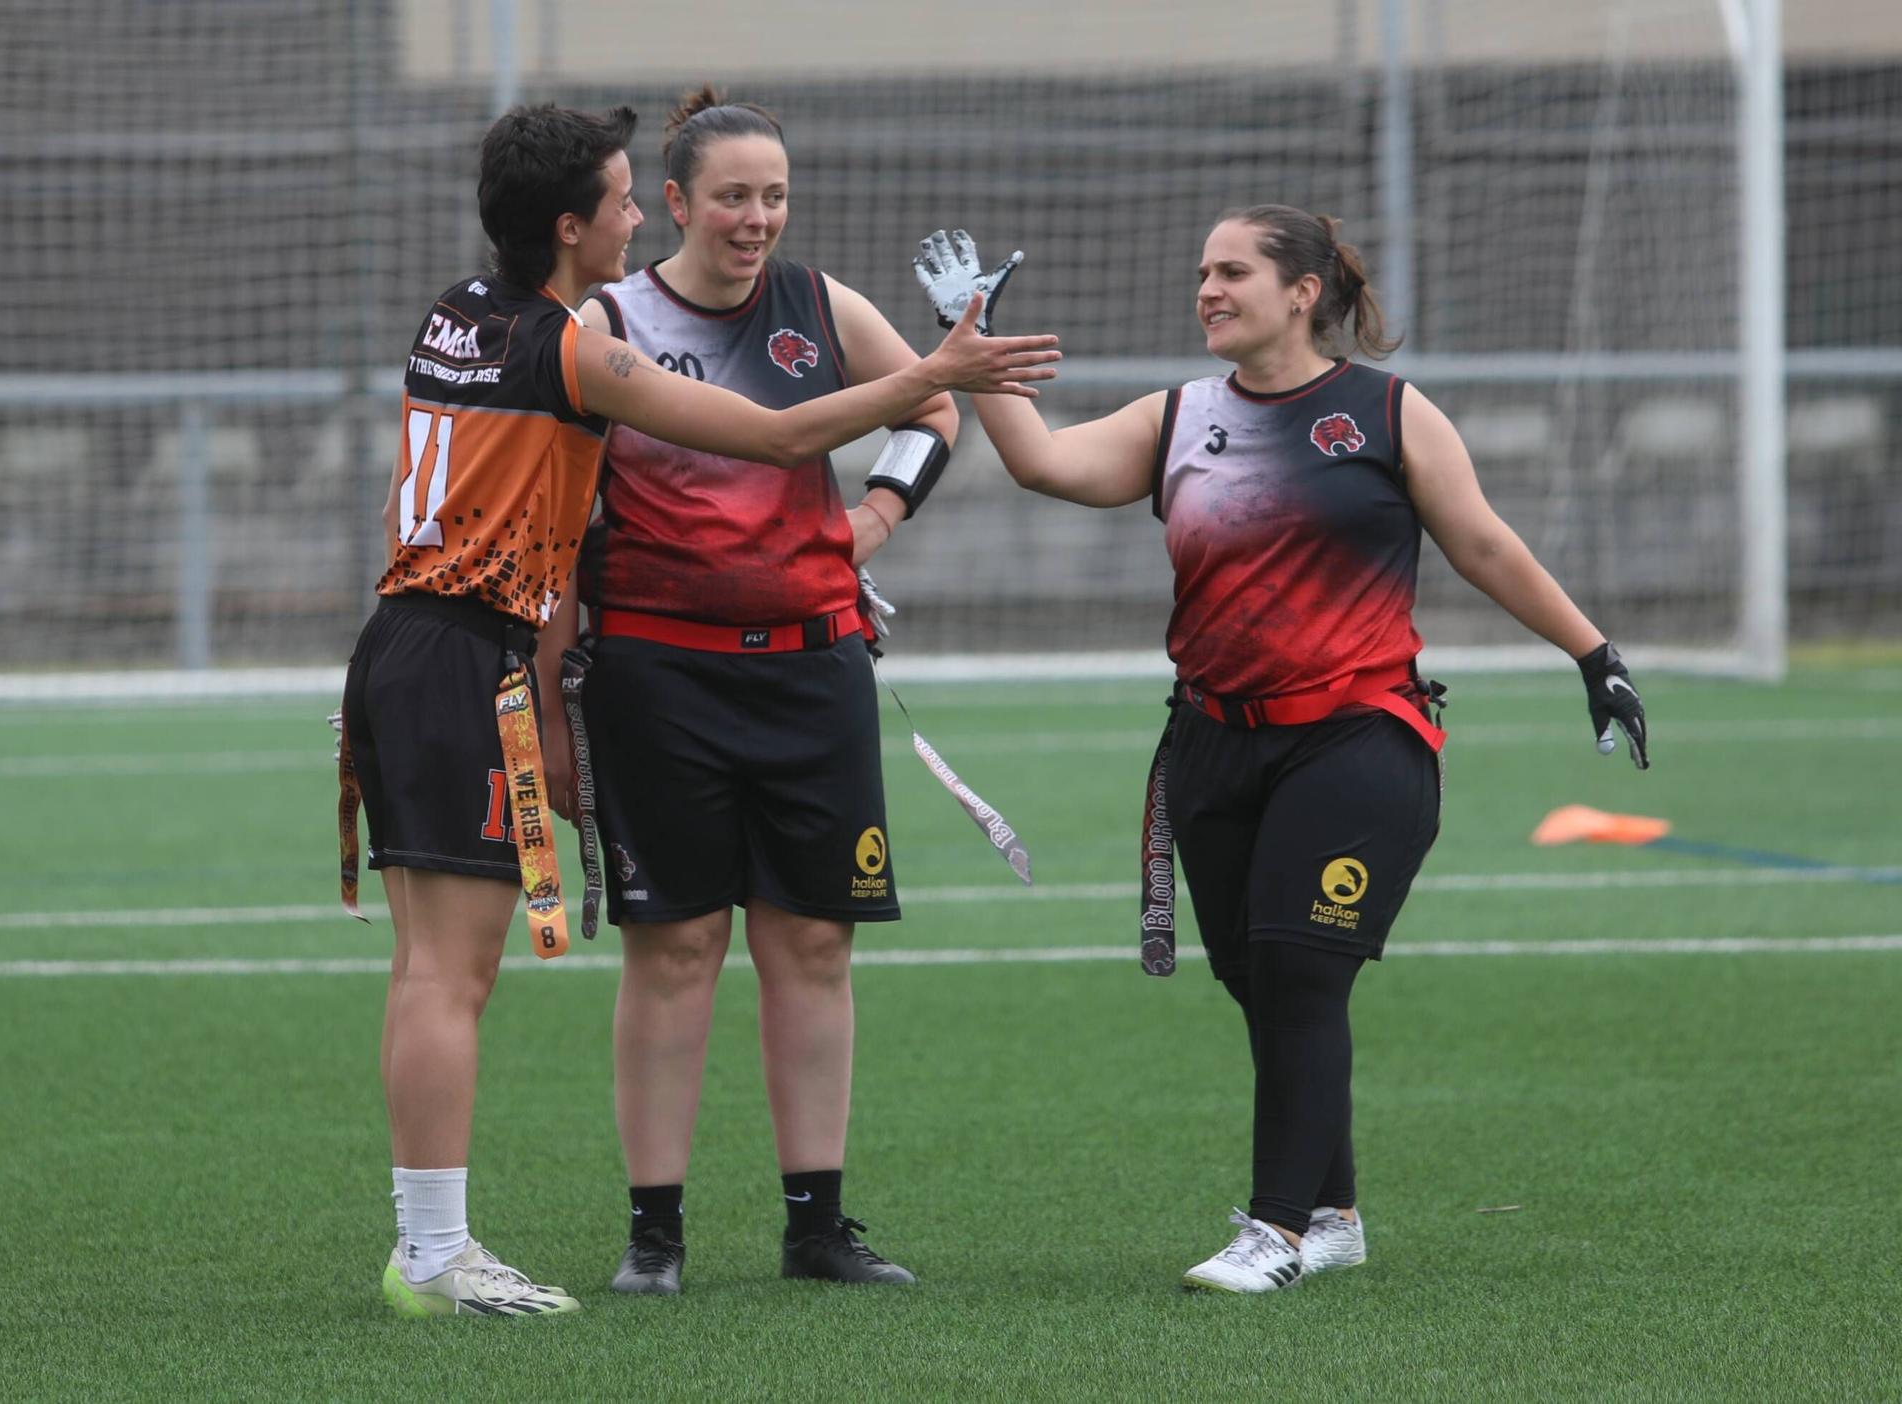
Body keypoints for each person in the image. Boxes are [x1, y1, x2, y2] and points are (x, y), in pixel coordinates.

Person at [339, 102, 1057, 1321]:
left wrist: (876, 492)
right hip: (475, 655)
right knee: (447, 978)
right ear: (578, 228)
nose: (638, 213)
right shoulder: (580, 344)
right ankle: (433, 1254)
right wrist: (935, 371)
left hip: (418, 642)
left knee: (438, 971)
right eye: (625, 199)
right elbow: (776, 434)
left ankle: (445, 1246)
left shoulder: (458, 310)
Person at [913, 211, 1649, 1293]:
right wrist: (967, 341)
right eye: (1201, 272)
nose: (1206, 289)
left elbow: (1482, 541)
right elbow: (1042, 462)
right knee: (1260, 982)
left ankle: (1277, 1231)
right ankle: (1335, 1211)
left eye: (1231, 271)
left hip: (1359, 737)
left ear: (1301, 291)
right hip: (1214, 743)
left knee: (1301, 973)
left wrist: (1593, 654)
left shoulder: (1389, 412)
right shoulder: (1178, 416)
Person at [573, 87, 959, 1296]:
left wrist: (875, 519)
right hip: (654, 675)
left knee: (812, 943)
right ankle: (655, 1234)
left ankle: (817, 1227)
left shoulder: (818, 303)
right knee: (675, 947)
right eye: (731, 196)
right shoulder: (607, 318)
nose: (756, 220)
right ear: (674, 202)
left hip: (811, 670)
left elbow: (933, 401)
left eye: (774, 196)